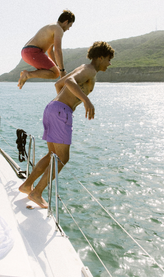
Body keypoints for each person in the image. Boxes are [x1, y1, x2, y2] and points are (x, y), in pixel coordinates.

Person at [19, 41, 114, 208]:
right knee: (63, 157)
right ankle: (36, 193)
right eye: (108, 59)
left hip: (52, 108)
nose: (109, 63)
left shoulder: (83, 68)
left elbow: (58, 84)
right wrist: (85, 101)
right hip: (59, 111)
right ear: (100, 58)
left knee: (51, 155)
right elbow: (69, 82)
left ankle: (27, 185)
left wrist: (62, 105)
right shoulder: (89, 70)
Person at [17, 10, 75, 89]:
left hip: (26, 52)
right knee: (56, 74)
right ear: (66, 22)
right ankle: (27, 74)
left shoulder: (52, 26)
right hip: (33, 52)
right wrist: (62, 71)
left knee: (55, 72)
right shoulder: (59, 29)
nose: (68, 29)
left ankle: (27, 74)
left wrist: (57, 67)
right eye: (70, 26)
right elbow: (57, 51)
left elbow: (50, 51)